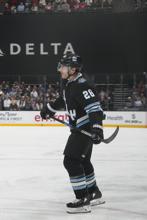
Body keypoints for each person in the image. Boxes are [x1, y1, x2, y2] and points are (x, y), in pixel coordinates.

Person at [40, 52, 105, 214]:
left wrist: (97, 128)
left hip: (85, 129)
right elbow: (63, 100)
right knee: (83, 161)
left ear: (73, 69)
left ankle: (83, 199)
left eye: (63, 66)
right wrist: (48, 109)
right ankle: (94, 193)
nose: (60, 69)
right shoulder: (69, 83)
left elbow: (94, 108)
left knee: (70, 161)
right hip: (81, 129)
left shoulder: (83, 84)